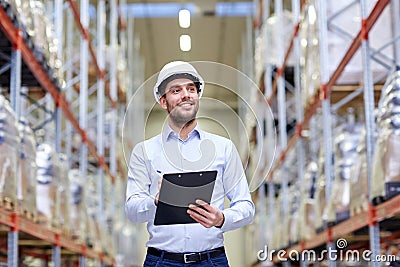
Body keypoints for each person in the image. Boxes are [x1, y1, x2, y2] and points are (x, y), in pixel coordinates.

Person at [125, 61, 255, 266]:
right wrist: (156, 202)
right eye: (176, 90)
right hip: (161, 261)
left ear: (197, 96)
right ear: (162, 100)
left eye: (191, 89)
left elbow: (246, 206)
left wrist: (221, 218)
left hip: (212, 260)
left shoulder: (224, 148)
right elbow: (132, 210)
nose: (186, 94)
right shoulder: (144, 152)